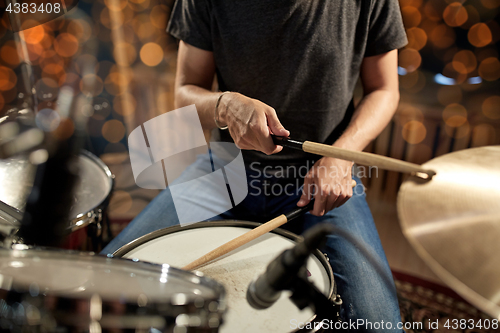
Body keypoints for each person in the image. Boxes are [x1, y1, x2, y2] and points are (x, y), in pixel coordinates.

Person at [103, 0, 408, 331]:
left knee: (379, 325)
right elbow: (184, 92)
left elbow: (384, 89)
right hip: (223, 171)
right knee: (109, 279)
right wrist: (225, 105)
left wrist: (342, 155)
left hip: (321, 176)